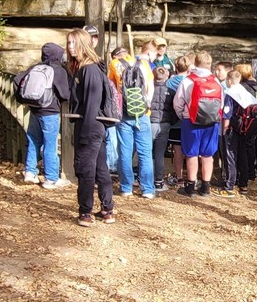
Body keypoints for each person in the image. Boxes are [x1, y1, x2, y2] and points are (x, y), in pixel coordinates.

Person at [66, 28, 115, 226]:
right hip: (93, 126)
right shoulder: (84, 68)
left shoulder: (90, 69)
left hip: (91, 126)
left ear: (83, 44)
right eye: (68, 43)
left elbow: (92, 103)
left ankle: (85, 211)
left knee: (86, 169)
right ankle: (107, 209)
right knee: (100, 167)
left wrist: (85, 132)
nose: (70, 47)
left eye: (73, 43)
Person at [17, 43, 71, 189]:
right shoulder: (58, 70)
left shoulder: (35, 67)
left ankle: (30, 172)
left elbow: (18, 80)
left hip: (34, 109)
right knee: (50, 144)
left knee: (33, 140)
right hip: (50, 112)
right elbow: (65, 94)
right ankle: (51, 178)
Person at [173, 51, 222, 197]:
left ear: (195, 62)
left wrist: (184, 116)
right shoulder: (217, 81)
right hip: (212, 122)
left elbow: (178, 103)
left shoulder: (188, 81)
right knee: (208, 155)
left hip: (191, 121)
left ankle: (190, 187)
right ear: (210, 64)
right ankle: (206, 187)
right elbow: (222, 103)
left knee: (191, 154)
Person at [109, 47, 156, 199]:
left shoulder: (114, 64)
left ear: (115, 55)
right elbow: (150, 87)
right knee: (145, 152)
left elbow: (112, 89)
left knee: (125, 151)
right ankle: (148, 189)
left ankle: (126, 187)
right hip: (142, 113)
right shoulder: (143, 63)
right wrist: (146, 106)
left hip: (124, 113)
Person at [215, 69, 246, 198]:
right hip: (243, 128)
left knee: (229, 156)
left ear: (228, 80)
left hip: (231, 129)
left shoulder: (230, 93)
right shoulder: (243, 91)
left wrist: (224, 130)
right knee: (241, 155)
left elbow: (226, 114)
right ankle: (241, 181)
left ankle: (229, 185)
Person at [233, 63, 257, 193]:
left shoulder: (241, 88)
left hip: (244, 122)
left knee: (242, 151)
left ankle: (242, 178)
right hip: (255, 121)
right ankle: (252, 172)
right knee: (251, 147)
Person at [163, 56, 190, 186]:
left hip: (174, 122)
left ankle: (179, 177)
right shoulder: (191, 81)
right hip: (190, 120)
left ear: (175, 66)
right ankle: (192, 177)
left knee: (177, 149)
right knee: (191, 149)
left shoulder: (169, 83)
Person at [150, 66, 171, 192]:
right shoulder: (171, 91)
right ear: (167, 76)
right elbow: (175, 108)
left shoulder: (148, 89)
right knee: (159, 154)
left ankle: (143, 179)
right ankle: (158, 182)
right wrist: (170, 121)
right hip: (164, 123)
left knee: (146, 153)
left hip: (150, 122)